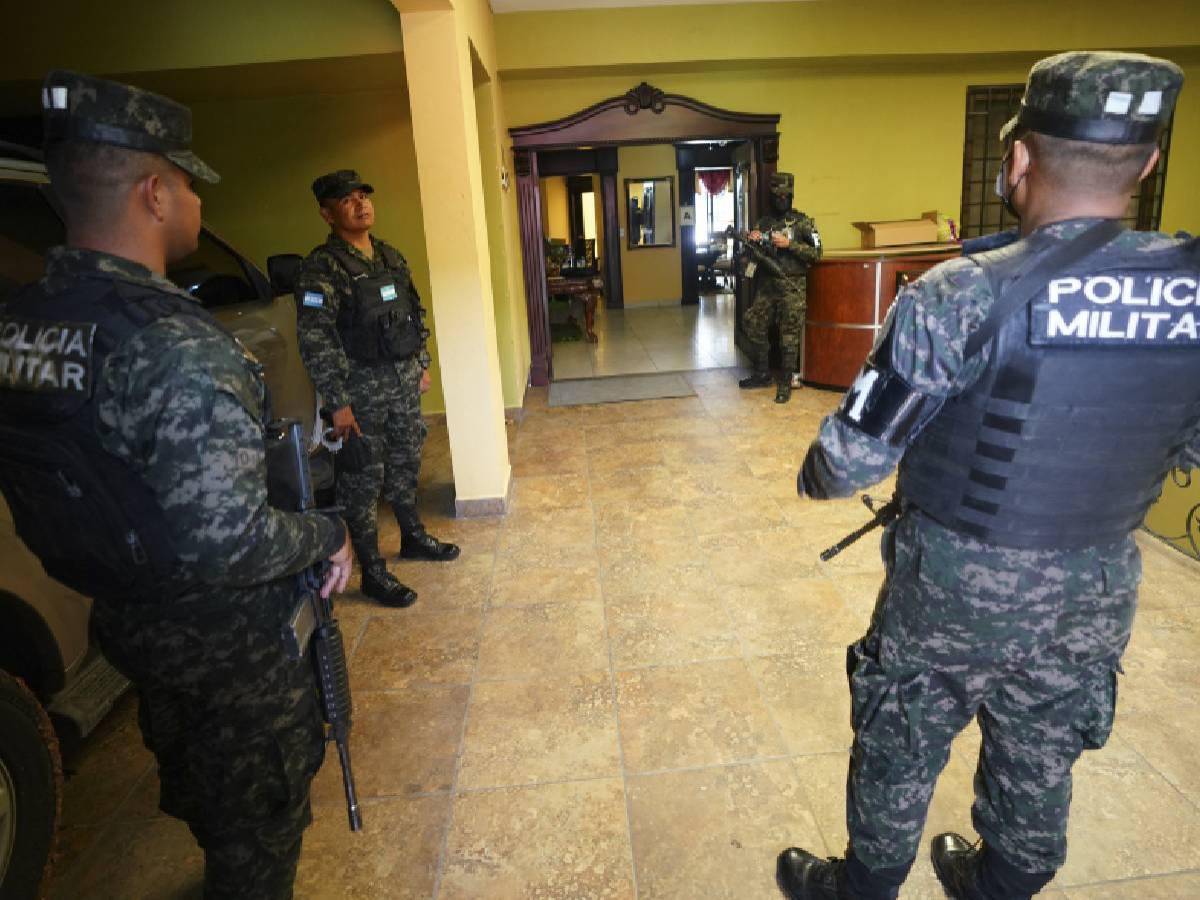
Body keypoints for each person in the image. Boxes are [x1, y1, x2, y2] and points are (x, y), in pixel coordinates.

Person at [777, 51, 1197, 900]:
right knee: (1043, 740)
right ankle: (1000, 881)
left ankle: (862, 887)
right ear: (1149, 163)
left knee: (901, 734)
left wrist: (814, 474)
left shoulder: (960, 293)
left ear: (1018, 160)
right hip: (1099, 582)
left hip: (957, 583)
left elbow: (847, 461)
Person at [0, 72, 353, 899]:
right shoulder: (173, 344)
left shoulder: (23, 324)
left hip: (125, 616)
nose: (196, 200)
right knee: (260, 826)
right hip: (223, 637)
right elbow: (229, 539)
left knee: (206, 784)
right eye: (191, 183)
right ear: (155, 193)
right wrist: (327, 533)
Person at [294, 170, 459, 609]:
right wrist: (337, 403)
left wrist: (420, 365)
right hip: (360, 396)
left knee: (406, 464)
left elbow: (413, 312)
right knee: (363, 482)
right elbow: (315, 338)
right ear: (327, 213)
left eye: (363, 195)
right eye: (347, 200)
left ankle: (413, 536)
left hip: (403, 385)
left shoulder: (389, 256)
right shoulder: (322, 268)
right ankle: (372, 570)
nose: (361, 204)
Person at [737, 171, 822, 403]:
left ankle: (785, 381)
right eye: (777, 195)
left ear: (791, 195)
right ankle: (763, 372)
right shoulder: (764, 222)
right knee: (753, 322)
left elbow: (816, 253)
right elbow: (751, 256)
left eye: (785, 196)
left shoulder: (804, 222)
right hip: (767, 284)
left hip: (792, 284)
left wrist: (790, 244)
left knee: (789, 335)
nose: (781, 199)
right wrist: (752, 239)